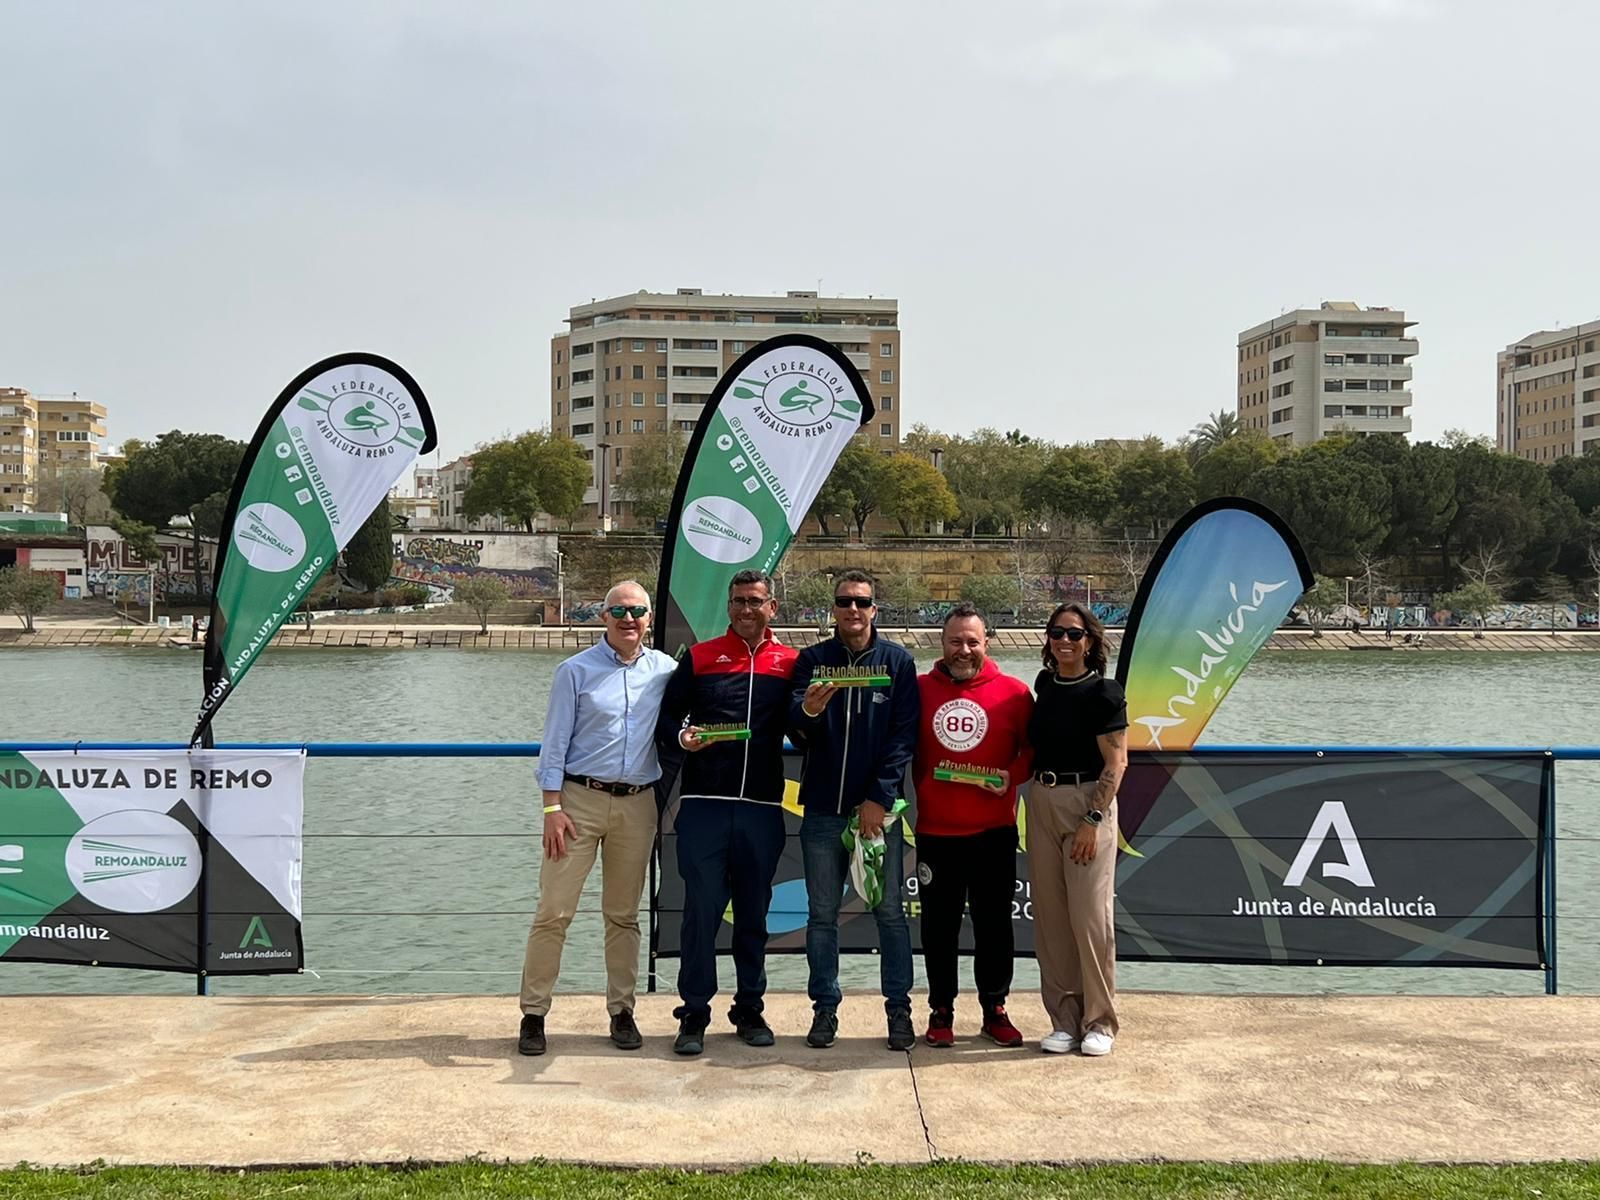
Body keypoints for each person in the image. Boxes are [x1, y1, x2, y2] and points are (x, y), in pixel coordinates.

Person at [517, 580, 677, 1057]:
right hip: (577, 804)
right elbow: (554, 741)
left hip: (638, 804)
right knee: (554, 913)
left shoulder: (666, 671)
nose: (629, 620)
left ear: (649, 618)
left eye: (638, 611)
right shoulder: (574, 671)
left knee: (623, 917)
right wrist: (551, 808)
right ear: (603, 617)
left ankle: (622, 1012)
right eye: (619, 611)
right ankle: (533, 1014)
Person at [655, 569, 798, 1056]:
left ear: (771, 608)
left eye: (754, 601)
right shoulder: (698, 657)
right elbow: (668, 717)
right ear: (728, 606)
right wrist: (682, 737)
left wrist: (816, 711)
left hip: (761, 808)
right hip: (703, 807)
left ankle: (749, 1008)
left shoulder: (790, 662)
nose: (745, 610)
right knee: (701, 913)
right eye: (737, 601)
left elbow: (804, 729)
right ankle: (694, 1012)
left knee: (755, 915)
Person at [789, 569, 919, 1052]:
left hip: (877, 813)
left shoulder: (898, 663)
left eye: (861, 602)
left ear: (874, 609)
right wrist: (810, 711)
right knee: (822, 916)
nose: (852, 610)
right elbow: (795, 727)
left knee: (889, 913)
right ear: (834, 609)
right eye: (844, 602)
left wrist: (880, 799)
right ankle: (825, 1010)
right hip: (823, 809)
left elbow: (903, 736)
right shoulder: (813, 661)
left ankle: (899, 1013)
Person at [911, 602, 1034, 1048]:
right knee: (938, 928)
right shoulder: (918, 689)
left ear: (987, 642)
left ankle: (994, 1008)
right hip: (936, 833)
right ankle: (941, 1008)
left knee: (994, 924)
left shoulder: (1016, 694)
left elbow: (1033, 752)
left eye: (972, 641)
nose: (963, 650)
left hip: (993, 833)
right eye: (955, 641)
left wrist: (1012, 776)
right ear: (941, 644)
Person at [1026, 601, 1127, 1057]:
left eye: (1074, 634)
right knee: (1051, 921)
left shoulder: (1105, 693)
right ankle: (1064, 1020)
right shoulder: (1044, 684)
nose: (1065, 641)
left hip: (1088, 805)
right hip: (1041, 800)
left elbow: (1117, 762)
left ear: (1090, 641)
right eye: (1057, 633)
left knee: (1090, 920)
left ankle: (1100, 1021)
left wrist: (1092, 819)